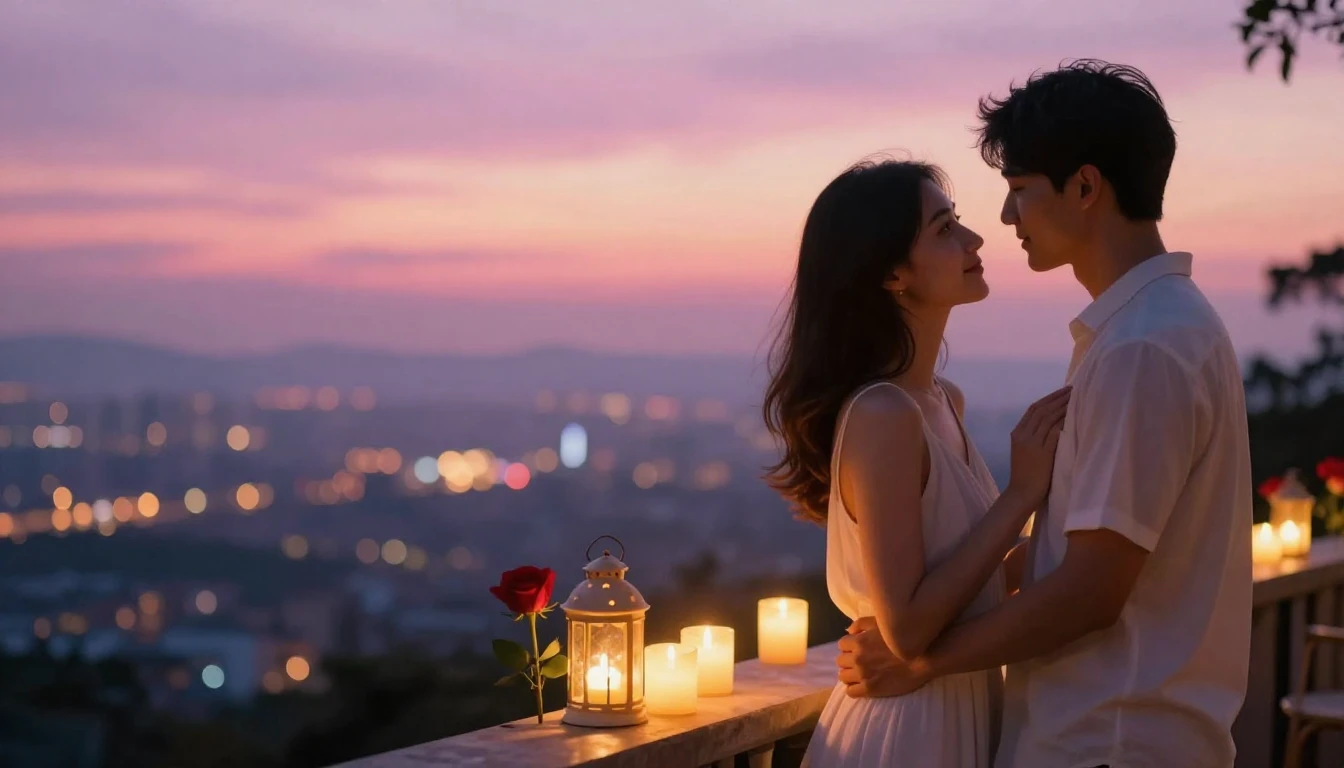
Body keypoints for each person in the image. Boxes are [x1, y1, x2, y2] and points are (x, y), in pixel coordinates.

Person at [837, 60, 1253, 768]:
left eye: (1019, 190)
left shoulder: (1143, 347)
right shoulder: (1155, 329)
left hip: (1108, 740)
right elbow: (1082, 553)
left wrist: (926, 663)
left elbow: (1092, 589)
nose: (1004, 219)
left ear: (1085, 187)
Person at [763, 156, 1070, 767]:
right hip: (908, 728)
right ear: (891, 275)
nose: (975, 239)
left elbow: (964, 579)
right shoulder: (884, 416)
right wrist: (1021, 495)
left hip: (953, 707)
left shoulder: (940, 401)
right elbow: (905, 629)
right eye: (944, 228)